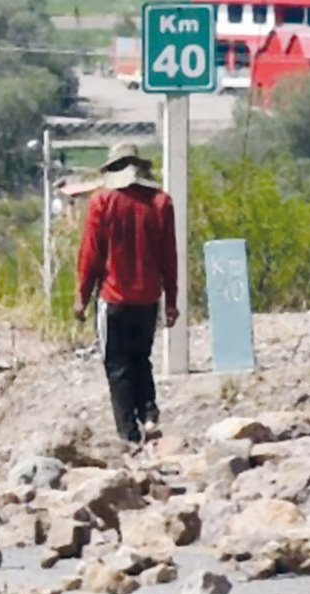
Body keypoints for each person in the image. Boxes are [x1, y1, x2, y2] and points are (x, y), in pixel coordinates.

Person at [73, 143, 178, 448]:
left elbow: (90, 255)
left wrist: (81, 297)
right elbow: (169, 257)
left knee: (116, 364)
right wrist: (171, 300)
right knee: (140, 357)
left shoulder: (102, 202)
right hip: (148, 298)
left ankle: (128, 433)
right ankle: (148, 410)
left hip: (113, 298)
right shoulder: (161, 202)